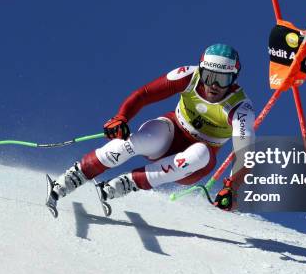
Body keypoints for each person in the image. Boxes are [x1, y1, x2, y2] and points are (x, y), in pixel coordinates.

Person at [45, 43, 255, 218]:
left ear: (234, 79)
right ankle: (70, 179)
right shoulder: (188, 76)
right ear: (201, 70)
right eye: (209, 76)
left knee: (199, 152)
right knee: (144, 137)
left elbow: (245, 154)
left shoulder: (240, 108)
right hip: (172, 132)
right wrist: (121, 117)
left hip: (195, 163)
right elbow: (144, 94)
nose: (214, 85)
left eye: (223, 79)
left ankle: (121, 185)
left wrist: (232, 187)